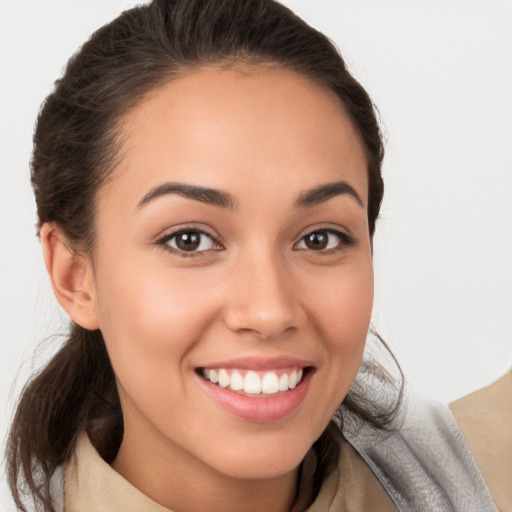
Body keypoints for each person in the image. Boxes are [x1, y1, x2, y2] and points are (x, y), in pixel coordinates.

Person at [3, 1, 506, 511]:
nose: (270, 311)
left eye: (319, 238)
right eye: (189, 240)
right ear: (74, 276)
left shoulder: (483, 481)